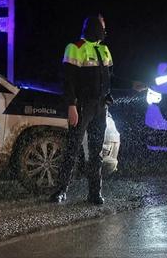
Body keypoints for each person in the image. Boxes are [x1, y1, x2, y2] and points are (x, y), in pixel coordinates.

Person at [48, 15, 114, 205]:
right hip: (82, 107)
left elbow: (110, 77)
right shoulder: (75, 48)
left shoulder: (104, 50)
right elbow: (68, 81)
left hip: (100, 107)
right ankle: (60, 191)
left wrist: (130, 85)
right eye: (102, 26)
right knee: (72, 149)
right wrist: (71, 106)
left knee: (95, 152)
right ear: (94, 27)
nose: (104, 30)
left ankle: (94, 193)